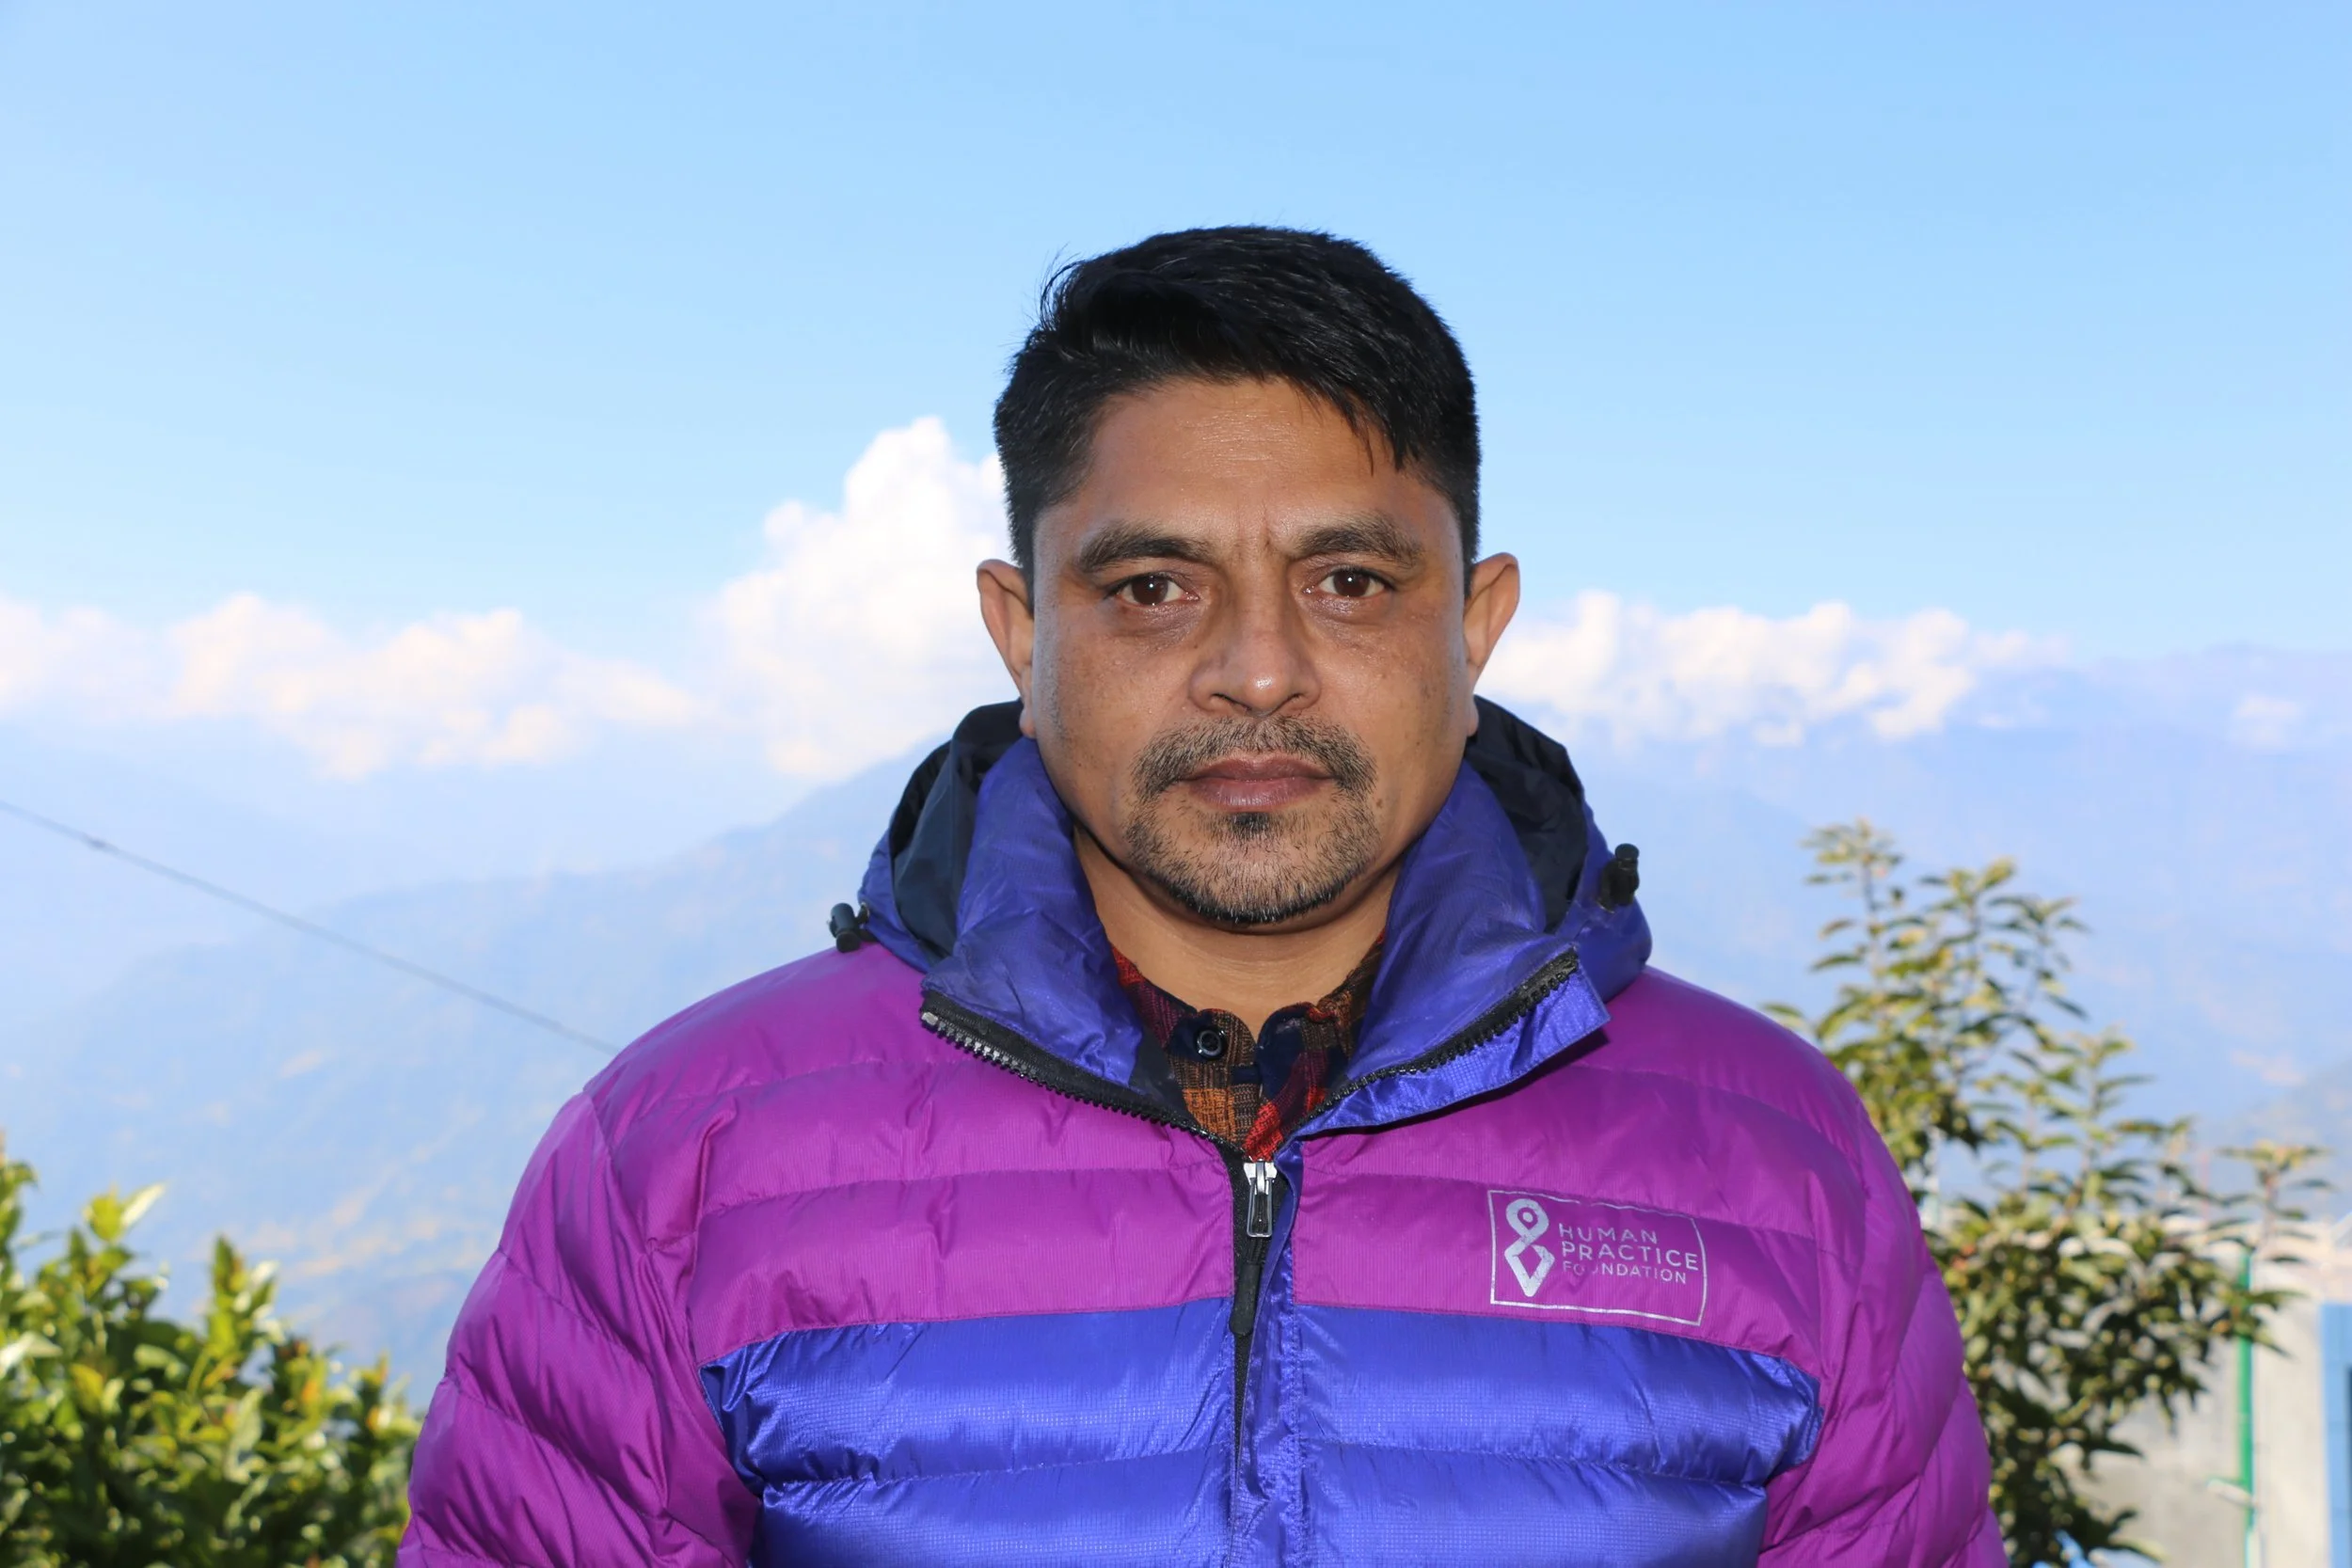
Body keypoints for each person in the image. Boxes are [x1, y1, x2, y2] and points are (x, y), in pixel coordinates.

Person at [401, 227, 2002, 1566]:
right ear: (1021, 629)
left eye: (1351, 582)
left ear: (1480, 623)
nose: (1257, 669)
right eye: (1155, 587)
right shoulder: (687, 1156)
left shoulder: (1777, 1164)